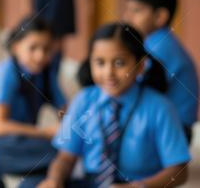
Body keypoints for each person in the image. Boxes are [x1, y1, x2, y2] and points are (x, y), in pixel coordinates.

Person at [39, 23, 190, 187]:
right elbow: (65, 158)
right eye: (100, 63)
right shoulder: (83, 100)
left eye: (119, 63)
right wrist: (54, 180)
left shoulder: (161, 108)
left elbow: (179, 170)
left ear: (140, 66)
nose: (108, 73)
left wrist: (137, 187)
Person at [0, 16, 65, 187]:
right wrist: (44, 132)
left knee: (66, 150)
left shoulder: (45, 72)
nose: (40, 56)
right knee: (60, 154)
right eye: (33, 48)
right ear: (15, 47)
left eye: (46, 49)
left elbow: (64, 110)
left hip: (25, 141)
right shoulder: (7, 74)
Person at [124, 0, 198, 141]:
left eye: (136, 11)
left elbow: (135, 89)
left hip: (176, 129)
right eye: (127, 11)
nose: (127, 17)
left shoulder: (161, 47)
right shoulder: (155, 42)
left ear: (160, 16)